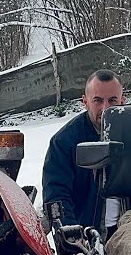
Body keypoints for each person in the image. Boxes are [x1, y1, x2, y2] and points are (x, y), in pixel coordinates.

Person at [41, 69, 125, 228]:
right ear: (85, 101)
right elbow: (57, 196)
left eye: (112, 100)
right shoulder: (64, 142)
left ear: (123, 100)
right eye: (98, 100)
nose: (105, 107)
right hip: (89, 233)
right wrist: (72, 234)